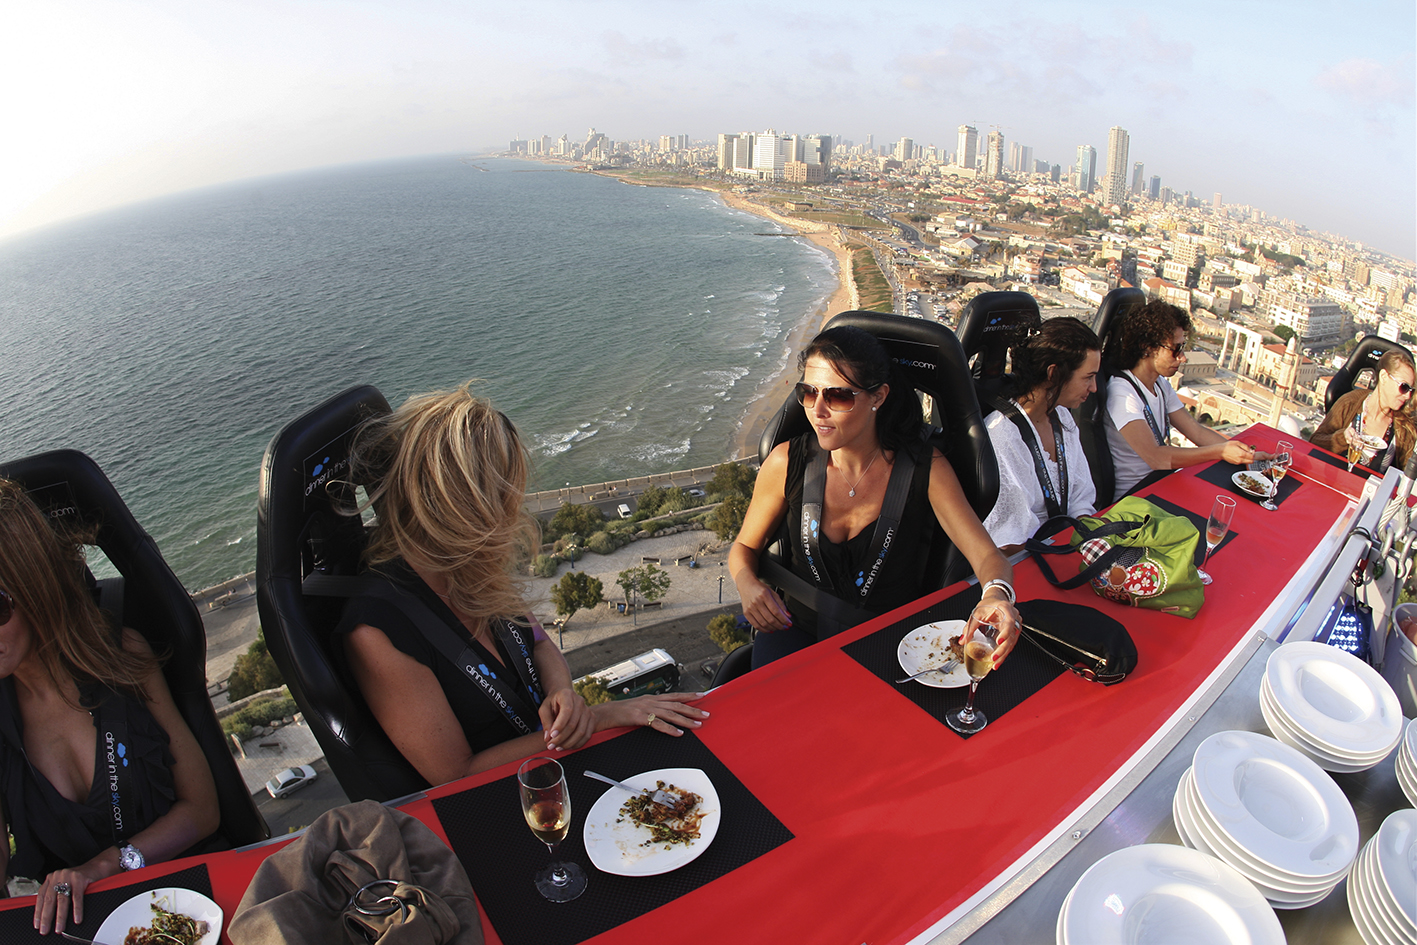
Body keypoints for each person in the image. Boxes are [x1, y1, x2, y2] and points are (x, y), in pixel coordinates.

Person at [335, 384, 706, 789]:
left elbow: (539, 643)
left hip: (553, 768)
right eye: (495, 492)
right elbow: (454, 774)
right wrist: (603, 716)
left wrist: (562, 693)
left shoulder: (469, 567)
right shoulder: (378, 630)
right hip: (503, 797)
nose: (509, 505)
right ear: (449, 502)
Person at [0, 479, 219, 937]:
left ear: (35, 587)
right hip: (82, 928)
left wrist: (106, 865)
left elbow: (203, 810)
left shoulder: (123, 658)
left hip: (192, 904)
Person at [729, 326, 1021, 669]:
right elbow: (743, 547)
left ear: (878, 397)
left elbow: (988, 556)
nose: (817, 410)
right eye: (808, 393)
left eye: (838, 396)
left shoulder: (926, 470)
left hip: (891, 643)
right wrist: (747, 584)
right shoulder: (786, 462)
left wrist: (997, 595)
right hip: (794, 633)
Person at [1103, 300, 1263, 501]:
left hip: (1161, 484)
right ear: (1147, 347)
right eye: (1176, 349)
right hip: (1136, 497)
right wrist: (1220, 452)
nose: (1183, 358)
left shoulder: (1160, 385)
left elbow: (1196, 432)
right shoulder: (1123, 394)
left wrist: (1248, 456)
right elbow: (1155, 457)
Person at [982, 317, 1102, 553]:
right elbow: (1009, 542)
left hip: (1065, 545)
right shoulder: (1004, 436)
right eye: (1088, 377)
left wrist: (1090, 541)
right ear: (1054, 374)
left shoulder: (1062, 417)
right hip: (1030, 558)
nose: (1094, 387)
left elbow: (1081, 498)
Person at [1310, 348, 1417, 474]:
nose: (1407, 396)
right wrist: (1342, 438)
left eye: (1411, 390)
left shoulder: (1404, 427)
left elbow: (1407, 475)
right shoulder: (1351, 403)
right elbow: (1314, 443)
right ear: (1384, 377)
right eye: (1404, 387)